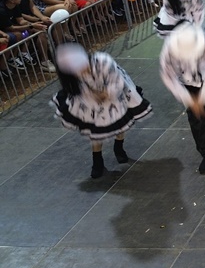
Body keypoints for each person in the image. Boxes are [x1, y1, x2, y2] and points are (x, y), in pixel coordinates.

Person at [52, 43, 152, 178]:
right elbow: (81, 92)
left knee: (120, 122)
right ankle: (97, 161)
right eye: (78, 71)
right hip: (92, 99)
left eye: (83, 68)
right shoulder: (73, 77)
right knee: (95, 126)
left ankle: (119, 146)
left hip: (116, 92)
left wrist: (104, 94)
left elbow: (117, 85)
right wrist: (94, 97)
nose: (82, 72)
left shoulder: (104, 62)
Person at [159, 24, 205, 174]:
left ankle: (204, 138)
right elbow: (168, 76)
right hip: (187, 83)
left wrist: (203, 98)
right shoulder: (170, 47)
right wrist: (189, 100)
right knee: (197, 118)